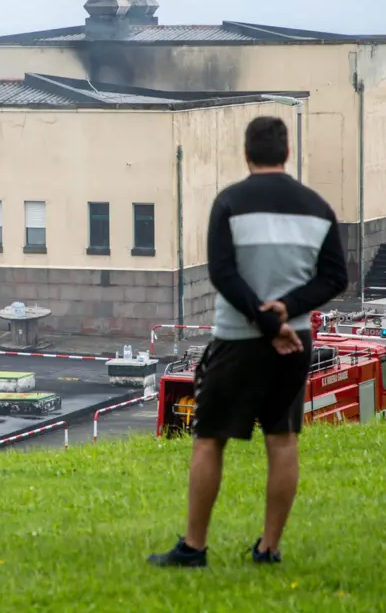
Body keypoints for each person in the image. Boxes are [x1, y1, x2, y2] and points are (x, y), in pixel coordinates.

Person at [148, 115, 348, 569]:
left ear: (246, 152)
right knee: (282, 441)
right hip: (294, 341)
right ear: (287, 153)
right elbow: (336, 276)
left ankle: (195, 548)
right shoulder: (317, 208)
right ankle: (269, 548)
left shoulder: (230, 202)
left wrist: (260, 320)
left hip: (237, 340)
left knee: (209, 440)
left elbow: (222, 273)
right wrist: (285, 312)